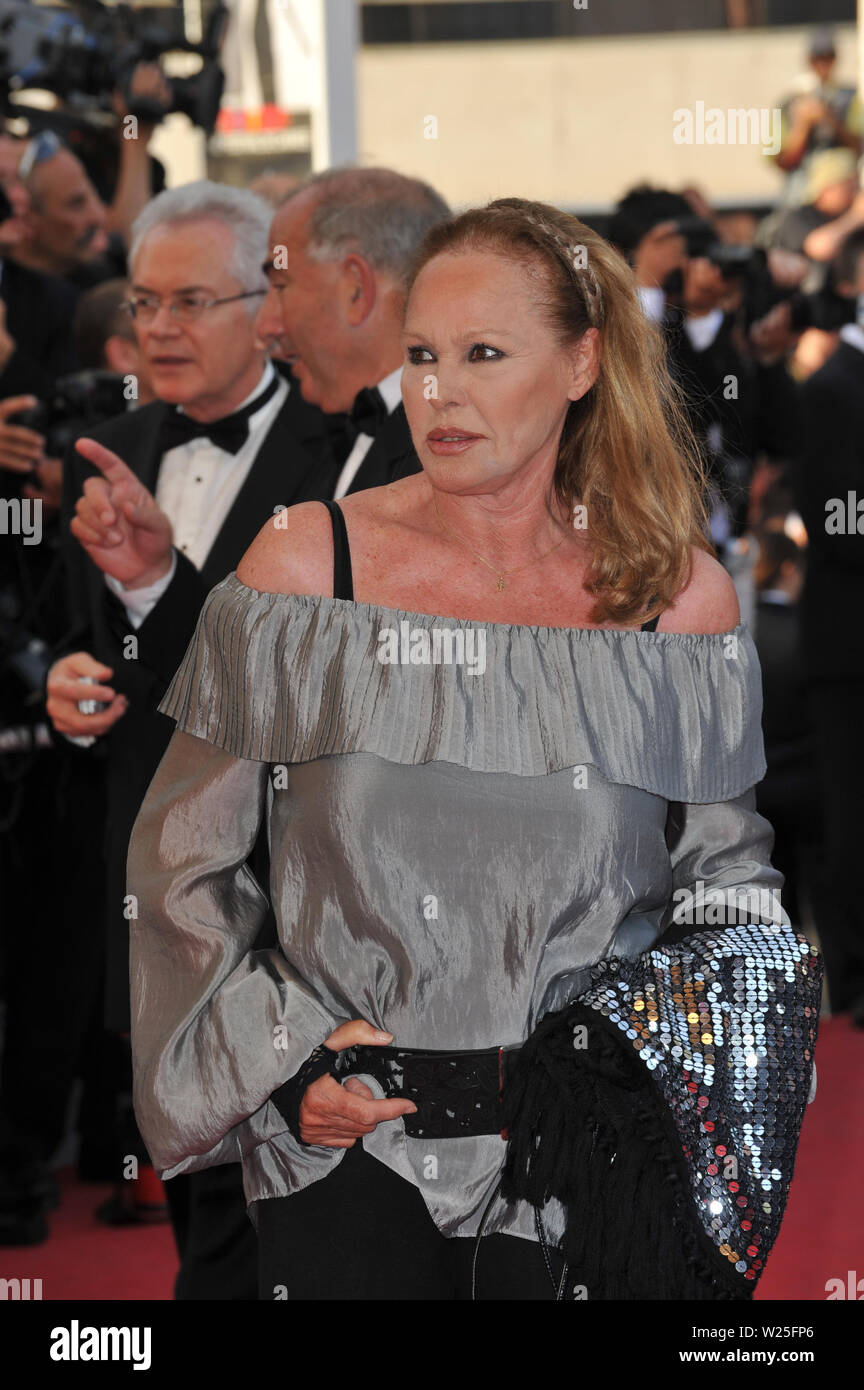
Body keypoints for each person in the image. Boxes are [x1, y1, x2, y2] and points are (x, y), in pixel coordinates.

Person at [128, 197, 820, 1301]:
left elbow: (732, 898)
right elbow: (182, 863)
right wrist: (285, 1059)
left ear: (583, 363)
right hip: (347, 1158)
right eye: (421, 355)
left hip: (590, 1177)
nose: (437, 393)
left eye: (484, 353)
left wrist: (643, 1088)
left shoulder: (674, 603)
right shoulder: (307, 573)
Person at [44, 180, 334, 1296]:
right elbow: (77, 634)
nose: (158, 326)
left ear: (266, 302)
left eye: (190, 301)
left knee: (297, 1217)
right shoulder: (105, 446)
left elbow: (285, 670)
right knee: (204, 1210)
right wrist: (68, 673)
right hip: (151, 880)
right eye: (143, 300)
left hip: (297, 883)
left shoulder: (345, 449)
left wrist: (162, 583)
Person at [256, 166, 450, 497]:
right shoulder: (324, 439)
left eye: (281, 286)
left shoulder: (449, 453)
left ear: (356, 289)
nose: (265, 327)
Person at [790, 225, 864, 1026]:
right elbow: (837, 521)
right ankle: (855, 984)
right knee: (854, 821)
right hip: (851, 649)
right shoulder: (832, 388)